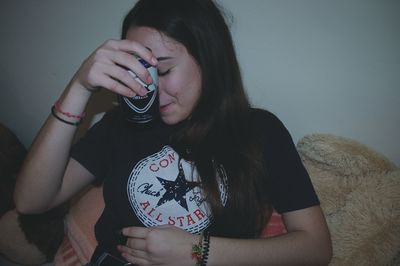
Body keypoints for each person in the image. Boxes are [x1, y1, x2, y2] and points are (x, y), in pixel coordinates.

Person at [14, 0, 332, 265]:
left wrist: (197, 251)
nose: (152, 90)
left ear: (209, 57)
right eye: (141, 72)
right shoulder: (120, 125)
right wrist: (79, 88)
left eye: (163, 70)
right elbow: (31, 202)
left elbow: (316, 248)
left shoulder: (261, 131)